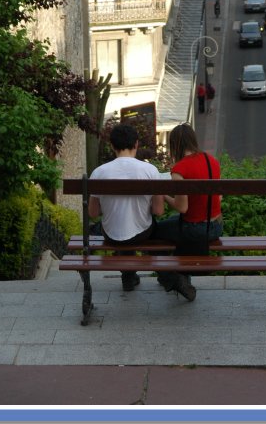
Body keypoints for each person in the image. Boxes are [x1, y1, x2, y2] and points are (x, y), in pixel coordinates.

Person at [88, 124, 164, 292]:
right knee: (148, 226)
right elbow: (158, 211)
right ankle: (166, 276)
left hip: (111, 235)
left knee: (122, 224)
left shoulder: (99, 172)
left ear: (112, 145)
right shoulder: (150, 170)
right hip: (141, 234)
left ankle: (128, 276)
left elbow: (93, 213)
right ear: (136, 144)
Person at [153, 123, 222, 301]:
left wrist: (163, 194)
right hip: (215, 226)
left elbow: (182, 208)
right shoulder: (211, 161)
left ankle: (172, 277)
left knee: (154, 233)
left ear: (175, 145)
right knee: (174, 225)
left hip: (194, 229)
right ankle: (181, 276)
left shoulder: (180, 170)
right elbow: (219, 198)